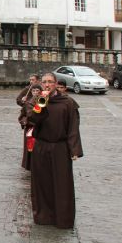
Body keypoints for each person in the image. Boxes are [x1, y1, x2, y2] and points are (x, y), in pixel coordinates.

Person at [27, 72, 83, 229]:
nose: (47, 84)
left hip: (60, 147)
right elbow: (33, 119)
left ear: (55, 83)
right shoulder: (38, 101)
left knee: (61, 184)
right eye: (44, 82)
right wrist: (41, 104)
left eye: (50, 82)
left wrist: (74, 149)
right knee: (42, 183)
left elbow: (73, 127)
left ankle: (62, 219)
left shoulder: (68, 103)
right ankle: (44, 216)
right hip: (41, 146)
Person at [18, 82, 42, 171]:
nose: (35, 92)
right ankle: (30, 166)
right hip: (30, 129)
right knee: (30, 149)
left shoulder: (43, 102)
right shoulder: (27, 103)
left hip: (40, 129)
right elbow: (21, 116)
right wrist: (25, 121)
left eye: (37, 90)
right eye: (34, 91)